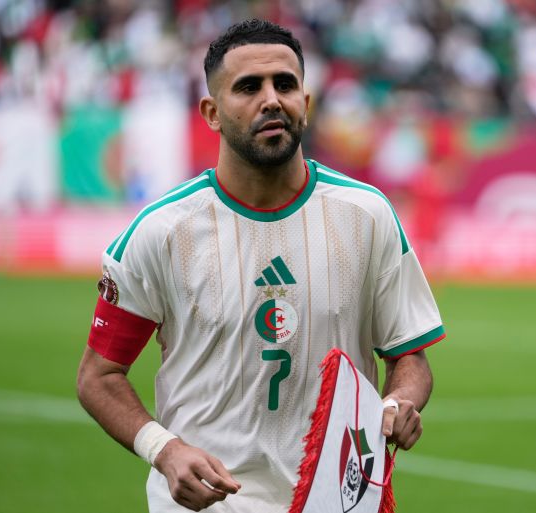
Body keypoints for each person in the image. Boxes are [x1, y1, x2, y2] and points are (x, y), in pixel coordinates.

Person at [76, 19, 445, 513]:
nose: (271, 99)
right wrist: (164, 451)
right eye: (249, 87)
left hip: (338, 500)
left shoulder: (367, 214)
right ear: (211, 112)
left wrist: (399, 403)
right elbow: (98, 375)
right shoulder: (161, 232)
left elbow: (410, 357)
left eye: (285, 84)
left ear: (306, 105)